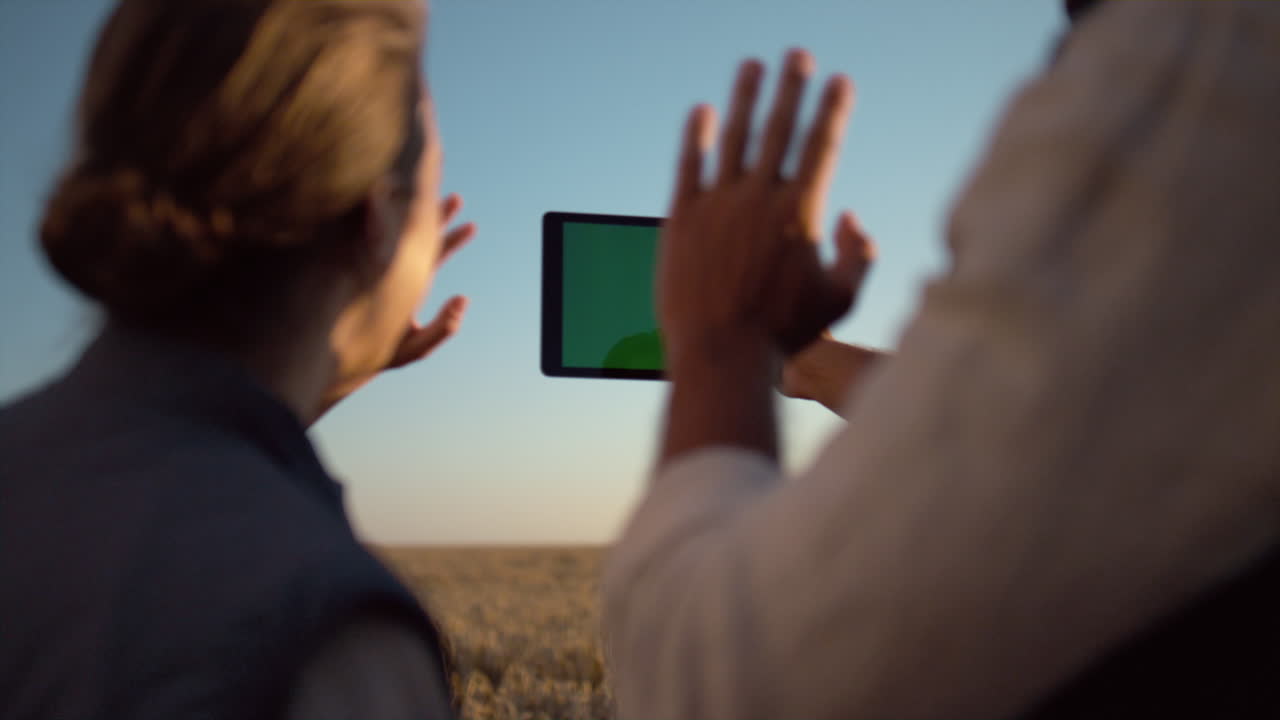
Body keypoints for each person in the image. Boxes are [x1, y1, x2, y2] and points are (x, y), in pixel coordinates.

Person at [604, 1, 1280, 717]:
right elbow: (1089, 419)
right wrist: (805, 363)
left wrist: (722, 339)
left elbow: (718, 684)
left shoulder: (1198, 63)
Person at [0, 1, 468, 717]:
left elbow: (160, 473)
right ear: (375, 221)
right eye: (430, 194)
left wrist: (328, 366)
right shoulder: (332, 636)